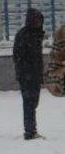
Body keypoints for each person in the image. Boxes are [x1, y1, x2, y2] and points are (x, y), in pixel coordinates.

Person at [12, 8, 47, 140]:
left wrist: (40, 73)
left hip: (36, 74)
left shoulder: (37, 34)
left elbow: (38, 57)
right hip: (26, 75)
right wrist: (23, 72)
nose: (38, 22)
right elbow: (17, 56)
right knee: (29, 102)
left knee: (33, 102)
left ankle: (31, 129)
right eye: (36, 19)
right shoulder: (23, 35)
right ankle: (30, 131)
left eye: (40, 20)